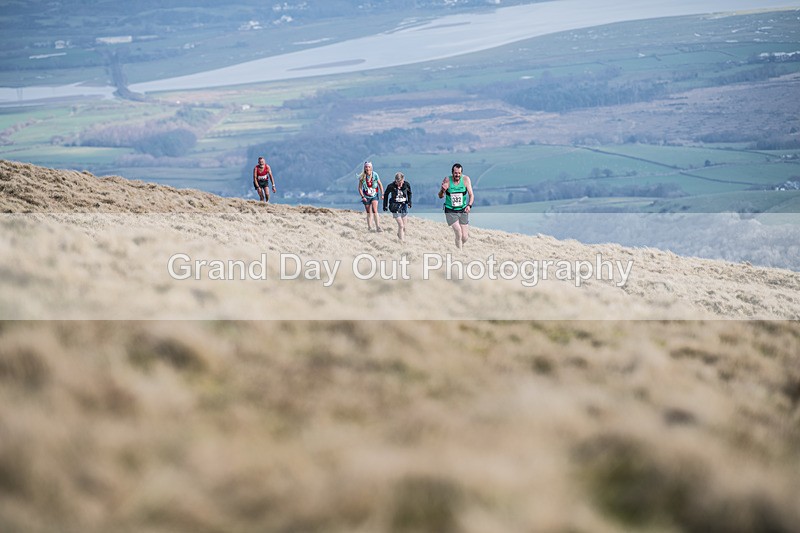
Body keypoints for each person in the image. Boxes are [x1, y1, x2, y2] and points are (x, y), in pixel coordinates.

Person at [438, 163, 474, 249]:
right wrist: (443, 190)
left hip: (463, 210)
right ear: (452, 173)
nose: (457, 175)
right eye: (455, 173)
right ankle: (459, 253)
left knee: (464, 237)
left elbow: (471, 195)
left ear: (461, 173)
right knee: (458, 232)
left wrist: (469, 205)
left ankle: (458, 246)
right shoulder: (447, 180)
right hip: (450, 210)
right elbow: (440, 196)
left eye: (459, 173)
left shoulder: (466, 180)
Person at [383, 171, 412, 242]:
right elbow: (386, 194)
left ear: (403, 180)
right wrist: (385, 205)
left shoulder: (407, 184)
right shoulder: (391, 186)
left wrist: (409, 202)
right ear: (395, 181)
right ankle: (401, 242)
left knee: (404, 227)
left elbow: (409, 193)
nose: (399, 185)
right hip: (394, 206)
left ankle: (400, 235)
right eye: (397, 183)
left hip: (404, 205)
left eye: (400, 182)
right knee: (401, 225)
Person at [358, 161, 384, 232]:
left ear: (371, 168)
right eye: (366, 167)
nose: (367, 168)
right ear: (364, 168)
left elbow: (380, 184)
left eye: (369, 167)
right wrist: (363, 196)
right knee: (369, 212)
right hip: (366, 196)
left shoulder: (375, 175)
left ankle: (378, 227)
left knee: (375, 210)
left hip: (374, 195)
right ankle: (369, 227)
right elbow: (360, 188)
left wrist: (382, 194)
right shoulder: (362, 176)